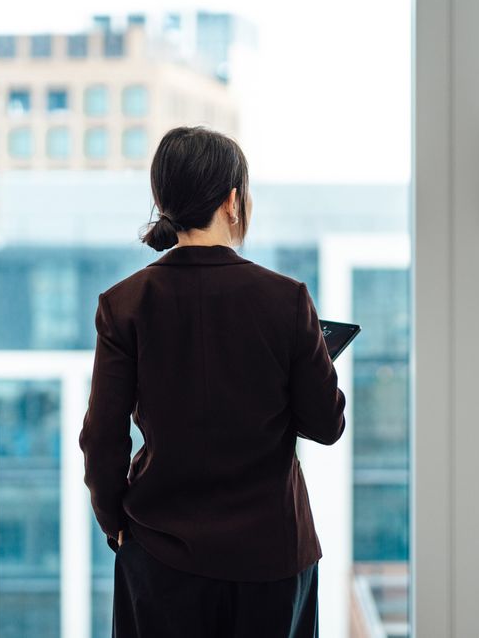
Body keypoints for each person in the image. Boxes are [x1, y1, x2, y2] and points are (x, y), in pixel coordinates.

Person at [79, 126, 347, 637]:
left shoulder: (123, 304)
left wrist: (115, 521)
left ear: (165, 202)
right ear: (232, 201)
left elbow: (101, 437)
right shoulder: (287, 300)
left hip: (161, 555)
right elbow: (326, 424)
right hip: (273, 559)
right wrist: (311, 361)